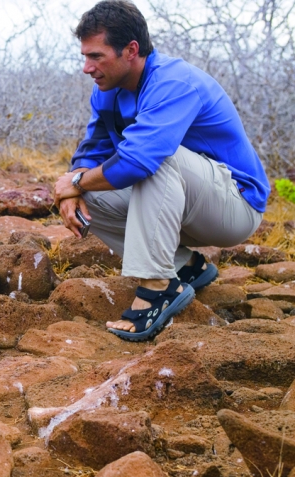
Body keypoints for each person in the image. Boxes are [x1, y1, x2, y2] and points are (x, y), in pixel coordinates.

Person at [53, 0, 269, 341]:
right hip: (186, 206)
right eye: (84, 56)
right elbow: (93, 149)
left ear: (131, 50)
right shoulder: (109, 91)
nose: (86, 67)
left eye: (96, 56)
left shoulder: (174, 82)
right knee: (93, 190)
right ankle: (184, 266)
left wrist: (74, 181)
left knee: (154, 160)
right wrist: (75, 188)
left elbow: (140, 161)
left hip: (234, 207)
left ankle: (159, 284)